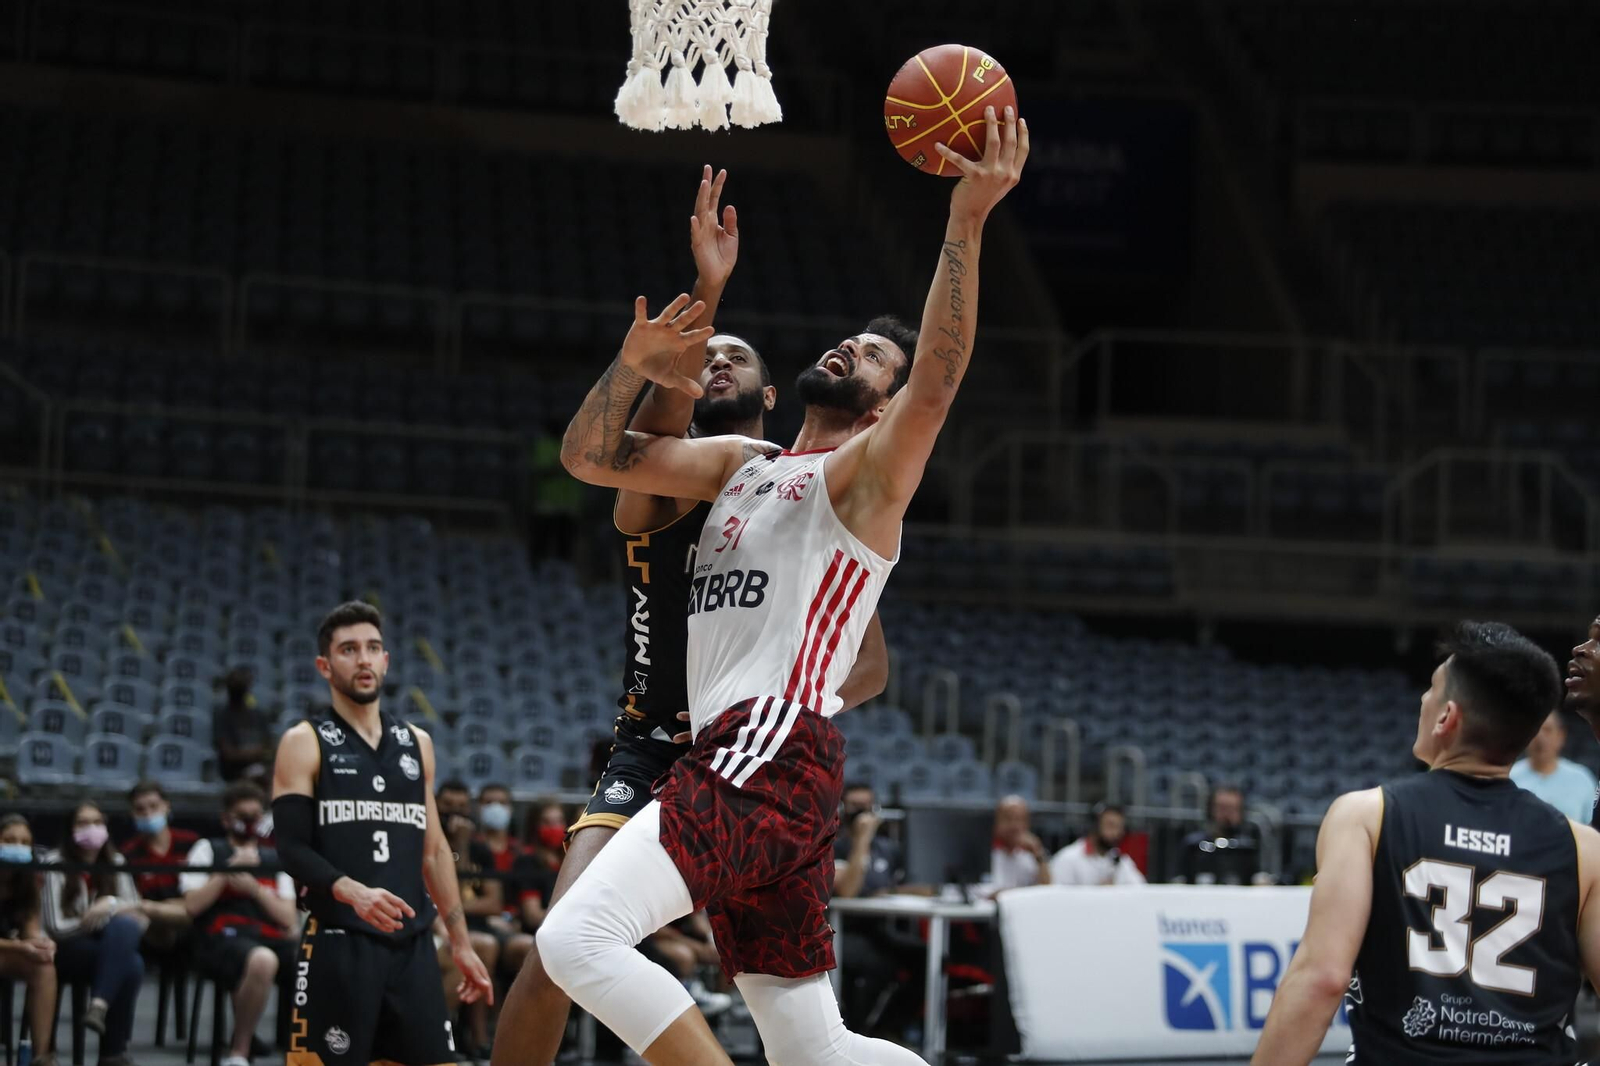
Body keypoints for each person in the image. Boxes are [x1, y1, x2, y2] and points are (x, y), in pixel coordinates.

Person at [538, 108, 1027, 1066]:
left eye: (874, 356)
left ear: (884, 407)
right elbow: (589, 461)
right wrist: (638, 361)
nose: (851, 346)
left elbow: (937, 378)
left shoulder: (867, 477)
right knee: (815, 1051)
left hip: (768, 744)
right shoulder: (740, 462)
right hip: (771, 768)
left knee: (572, 940)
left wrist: (964, 221)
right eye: (852, 337)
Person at [493, 165, 889, 1066]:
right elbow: (622, 445)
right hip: (656, 741)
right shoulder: (698, 473)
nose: (717, 364)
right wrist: (701, 300)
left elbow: (868, 662)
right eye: (710, 358)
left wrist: (790, 697)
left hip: (756, 750)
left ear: (771, 395)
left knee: (802, 1028)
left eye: (735, 358)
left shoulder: (811, 494)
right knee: (561, 946)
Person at [1252, 621, 1600, 1064]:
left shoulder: (1365, 815)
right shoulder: (1583, 847)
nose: (1421, 699)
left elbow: (1321, 979)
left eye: (1430, 689)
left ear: (1446, 717)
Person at [270, 601, 493, 1066]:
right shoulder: (303, 741)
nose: (364, 659)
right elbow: (289, 847)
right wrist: (353, 892)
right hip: (338, 941)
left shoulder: (418, 744)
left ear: (386, 661)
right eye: (349, 650)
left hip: (411, 948)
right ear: (325, 666)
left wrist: (462, 944)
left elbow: (433, 853)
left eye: (373, 648)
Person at [180, 781, 298, 1066]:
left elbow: (288, 918)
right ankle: (239, 1053)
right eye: (241, 816)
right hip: (220, 938)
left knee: (315, 956)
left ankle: (305, 1050)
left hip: (268, 934)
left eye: (254, 817)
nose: (249, 823)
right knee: (262, 960)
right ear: (225, 819)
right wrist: (226, 873)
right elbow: (192, 906)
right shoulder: (207, 850)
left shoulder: (275, 857)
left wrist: (254, 888)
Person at [40, 801, 150, 1066]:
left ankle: (98, 1007)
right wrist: (96, 920)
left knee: (129, 947)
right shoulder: (54, 862)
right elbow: (56, 926)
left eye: (98, 822)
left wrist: (109, 905)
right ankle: (112, 1053)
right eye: (83, 823)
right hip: (64, 948)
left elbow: (139, 919)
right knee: (130, 962)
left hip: (106, 946)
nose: (92, 829)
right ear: (70, 830)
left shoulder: (116, 861)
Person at [435, 780, 501, 1058]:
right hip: (436, 925)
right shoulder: (425, 842)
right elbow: (428, 898)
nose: (456, 813)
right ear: (435, 805)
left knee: (485, 945)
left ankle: (475, 1037)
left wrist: (461, 844)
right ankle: (466, 1035)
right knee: (480, 948)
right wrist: (456, 906)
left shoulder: (480, 849)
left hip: (471, 925)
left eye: (462, 807)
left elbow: (493, 902)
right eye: (448, 807)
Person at [0, 814, 58, 1066]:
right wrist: (18, 946)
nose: (17, 846)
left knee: (44, 966)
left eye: (24, 842)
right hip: (6, 947)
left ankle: (41, 1057)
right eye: (9, 840)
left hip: (5, 950)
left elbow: (30, 928)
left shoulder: (28, 878)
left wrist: (40, 943)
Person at [120, 780, 196, 943]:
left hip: (192, 919)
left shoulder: (191, 844)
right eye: (140, 809)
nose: (147, 813)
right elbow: (133, 902)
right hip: (152, 928)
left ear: (166, 806)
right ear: (132, 813)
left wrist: (158, 907)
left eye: (153, 806)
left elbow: (199, 898)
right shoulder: (128, 853)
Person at [1509, 709, 1597, 822]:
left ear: (1561, 736)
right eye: (1535, 731)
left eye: (1547, 730)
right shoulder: (1510, 777)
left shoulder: (1582, 779)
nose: (1540, 738)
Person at [1172, 784, 1263, 885]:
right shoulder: (1193, 846)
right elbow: (1180, 879)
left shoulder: (1249, 849)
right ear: (1210, 809)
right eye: (1222, 808)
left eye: (1233, 809)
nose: (1227, 815)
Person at [1048, 802, 1145, 886]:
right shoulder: (1068, 859)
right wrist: (1097, 894)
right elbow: (1058, 898)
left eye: (1120, 827)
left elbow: (1141, 891)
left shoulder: (1120, 860)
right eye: (1110, 826)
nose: (1116, 833)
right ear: (1094, 826)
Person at [214, 666, 272, 785]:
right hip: (232, 774)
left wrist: (247, 753)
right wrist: (255, 753)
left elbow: (268, 749)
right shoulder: (222, 716)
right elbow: (228, 754)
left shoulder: (259, 715)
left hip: (260, 769)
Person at [986, 795, 1052, 893]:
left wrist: (1038, 854)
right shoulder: (985, 851)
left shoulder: (1032, 854)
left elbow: (1047, 889)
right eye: (1008, 818)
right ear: (996, 821)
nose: (1014, 825)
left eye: (1020, 819)